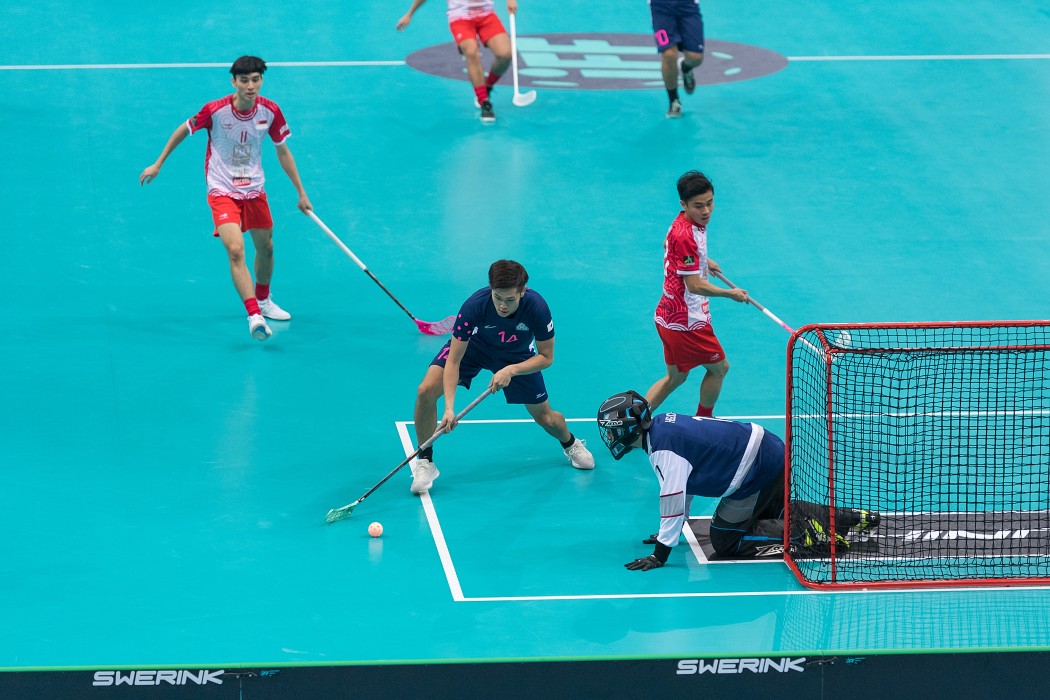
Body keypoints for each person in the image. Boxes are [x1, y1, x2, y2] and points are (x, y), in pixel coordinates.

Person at [595, 390, 880, 570]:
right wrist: (673, 529)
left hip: (757, 469)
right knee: (770, 510)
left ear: (630, 429)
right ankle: (846, 517)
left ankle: (800, 534)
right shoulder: (663, 430)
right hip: (768, 451)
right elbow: (684, 489)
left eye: (612, 430)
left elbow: (672, 500)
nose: (609, 437)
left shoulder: (663, 450)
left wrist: (661, 553)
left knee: (725, 541)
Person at [139, 56, 312, 342]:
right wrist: (159, 163)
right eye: (244, 80)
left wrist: (301, 193)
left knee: (266, 248)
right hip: (221, 189)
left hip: (254, 189)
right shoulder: (215, 110)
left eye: (256, 80)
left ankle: (264, 300)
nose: (250, 86)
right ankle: (254, 314)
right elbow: (184, 129)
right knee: (235, 250)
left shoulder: (270, 111)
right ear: (234, 82)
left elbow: (283, 151)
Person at [410, 260, 594, 494]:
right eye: (498, 297)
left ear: (522, 292)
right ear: (491, 289)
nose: (503, 305)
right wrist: (449, 407)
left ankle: (571, 443)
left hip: (517, 357)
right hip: (474, 349)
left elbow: (547, 357)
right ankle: (425, 460)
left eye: (510, 299)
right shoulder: (474, 306)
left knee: (546, 418)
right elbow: (454, 360)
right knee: (425, 390)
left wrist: (511, 370)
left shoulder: (537, 308)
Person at [646, 170, 747, 418]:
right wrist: (730, 293)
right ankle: (704, 420)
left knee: (675, 377)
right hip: (688, 322)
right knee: (719, 368)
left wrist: (703, 261)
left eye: (710, 203)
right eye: (698, 206)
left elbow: (667, 245)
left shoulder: (681, 222)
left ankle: (632, 422)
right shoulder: (686, 234)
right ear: (684, 204)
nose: (706, 211)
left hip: (667, 317)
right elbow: (694, 286)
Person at [396, 0, 516, 124]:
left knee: (505, 54)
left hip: (487, 15)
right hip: (460, 17)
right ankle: (484, 101)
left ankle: (488, 86)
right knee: (471, 52)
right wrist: (409, 14)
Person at [649, 0, 705, 118]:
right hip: (660, 8)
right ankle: (674, 100)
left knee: (696, 57)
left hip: (688, 6)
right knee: (668, 54)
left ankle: (686, 67)